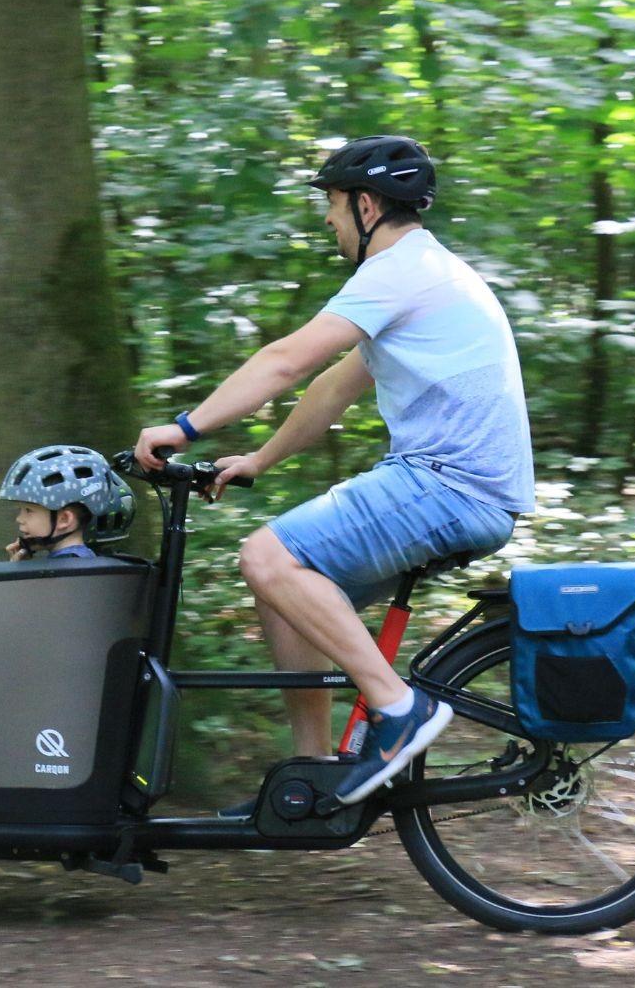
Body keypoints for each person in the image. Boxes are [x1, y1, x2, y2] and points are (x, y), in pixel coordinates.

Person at [131, 135, 536, 807]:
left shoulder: (398, 270)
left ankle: (397, 710)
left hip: (447, 482)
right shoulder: (427, 273)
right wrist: (259, 459)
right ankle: (312, 777)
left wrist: (186, 427)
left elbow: (287, 360)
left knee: (266, 556)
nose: (328, 220)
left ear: (367, 204)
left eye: (333, 204)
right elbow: (330, 390)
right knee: (283, 584)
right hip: (461, 487)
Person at [0, 445, 136, 561]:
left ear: (65, 519)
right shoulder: (83, 561)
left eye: (28, 510)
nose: (19, 519)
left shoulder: (66, 571)